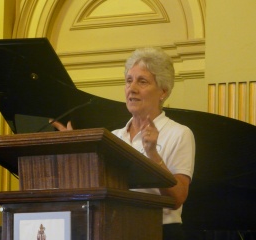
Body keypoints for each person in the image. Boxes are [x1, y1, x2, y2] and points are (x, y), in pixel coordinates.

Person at [51, 47, 195, 240]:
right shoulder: (113, 138)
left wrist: (152, 153)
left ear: (163, 91)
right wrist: (76, 151)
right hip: (114, 230)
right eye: (129, 81)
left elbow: (177, 198)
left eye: (142, 81)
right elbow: (93, 188)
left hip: (159, 232)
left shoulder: (179, 133)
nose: (132, 88)